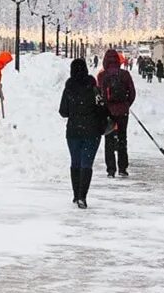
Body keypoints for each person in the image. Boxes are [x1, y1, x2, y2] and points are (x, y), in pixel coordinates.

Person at [59, 58, 107, 209]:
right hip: (91, 132)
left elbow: (63, 111)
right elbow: (102, 108)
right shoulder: (93, 87)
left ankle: (75, 194)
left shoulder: (69, 87)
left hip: (73, 131)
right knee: (86, 163)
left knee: (75, 162)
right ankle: (82, 196)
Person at [98, 48, 137, 178]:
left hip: (108, 112)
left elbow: (100, 94)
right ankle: (123, 168)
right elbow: (132, 93)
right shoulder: (125, 74)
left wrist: (106, 107)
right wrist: (125, 105)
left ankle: (110, 169)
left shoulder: (102, 75)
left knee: (109, 139)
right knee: (122, 138)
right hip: (122, 112)